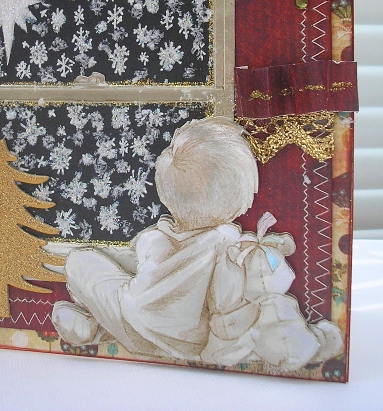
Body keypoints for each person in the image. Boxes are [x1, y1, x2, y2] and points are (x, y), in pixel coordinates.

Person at [52, 117, 343, 369]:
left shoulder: (154, 238)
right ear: (238, 200)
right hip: (189, 344)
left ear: (166, 193)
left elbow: (138, 267)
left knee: (79, 261)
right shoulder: (227, 245)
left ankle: (94, 326)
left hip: (133, 325)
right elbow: (229, 304)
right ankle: (306, 342)